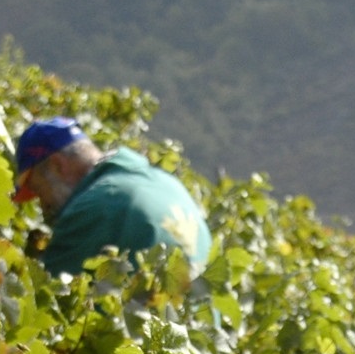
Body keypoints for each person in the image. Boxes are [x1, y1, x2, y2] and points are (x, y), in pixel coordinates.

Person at [12, 117, 212, 277]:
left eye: (38, 190)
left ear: (58, 166)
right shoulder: (170, 185)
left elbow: (47, 302)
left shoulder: (93, 208)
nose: (42, 205)